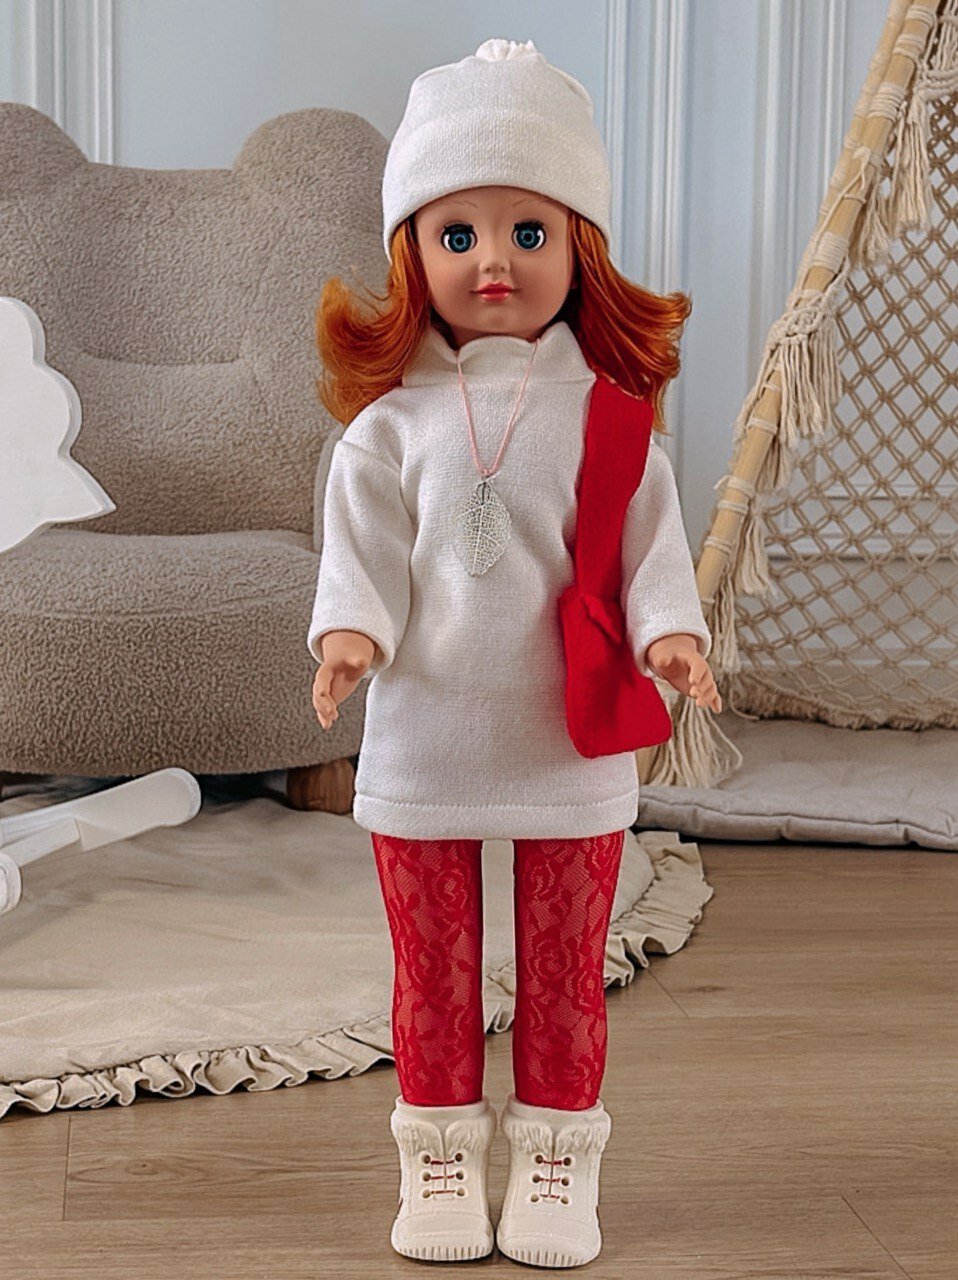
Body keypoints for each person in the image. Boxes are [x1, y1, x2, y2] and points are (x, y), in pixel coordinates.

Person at [306, 38, 721, 1268]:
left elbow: (650, 545)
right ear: (412, 252)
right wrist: (349, 633)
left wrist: (671, 632)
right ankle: (436, 1153)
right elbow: (361, 552)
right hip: (427, 733)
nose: (493, 260)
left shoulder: (610, 418)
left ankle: (554, 1156)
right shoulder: (387, 427)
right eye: (459, 233)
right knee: (430, 970)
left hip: (565, 741)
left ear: (579, 247)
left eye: (528, 232)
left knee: (563, 970)